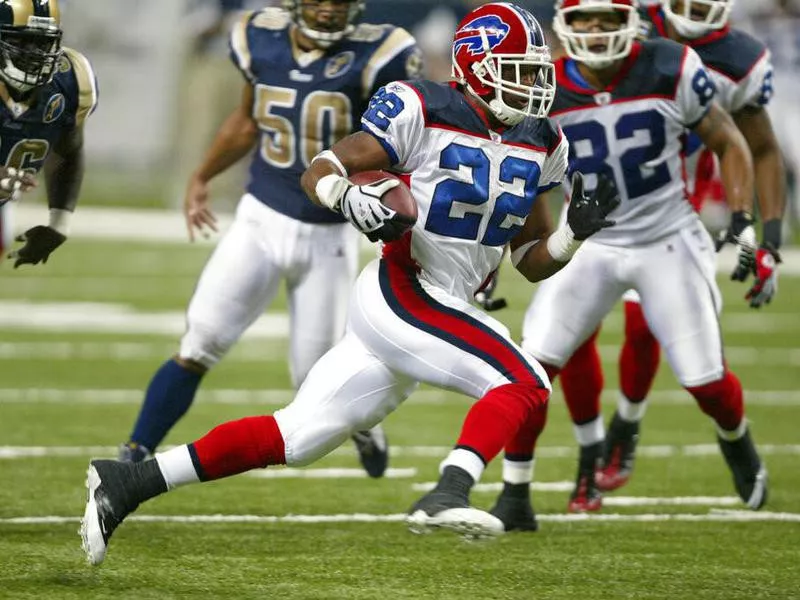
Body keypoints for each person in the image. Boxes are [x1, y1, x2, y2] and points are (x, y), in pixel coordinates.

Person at [80, 2, 619, 564]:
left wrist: (571, 238)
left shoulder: (544, 142)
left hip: (445, 304)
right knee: (526, 380)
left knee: (298, 437)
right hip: (405, 289)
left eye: (536, 70)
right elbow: (323, 168)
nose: (534, 82)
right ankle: (449, 489)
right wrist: (350, 197)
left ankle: (127, 482)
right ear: (477, 65)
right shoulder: (423, 105)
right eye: (520, 69)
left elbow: (527, 259)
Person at [487, 0, 769, 527]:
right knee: (532, 368)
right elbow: (526, 180)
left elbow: (729, 142)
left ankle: (737, 439)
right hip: (589, 240)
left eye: (608, 20)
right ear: (564, 27)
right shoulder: (540, 84)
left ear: (630, 22)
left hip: (666, 236)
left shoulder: (670, 64)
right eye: (585, 20)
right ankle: (515, 493)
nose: (596, 31)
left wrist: (741, 216)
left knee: (705, 382)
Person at [117, 0, 425, 478]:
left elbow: (399, 150)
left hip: (329, 235)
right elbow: (246, 120)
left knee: (312, 375)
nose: (327, 12)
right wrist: (203, 175)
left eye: (338, 3)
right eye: (318, 1)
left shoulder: (382, 52)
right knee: (201, 340)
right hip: (260, 219)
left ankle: (364, 426)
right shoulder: (258, 35)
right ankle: (135, 454)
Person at [0, 0, 97, 269]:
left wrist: (59, 223)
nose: (35, 54)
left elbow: (69, 150)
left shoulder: (69, 81)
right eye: (23, 42)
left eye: (43, 42)